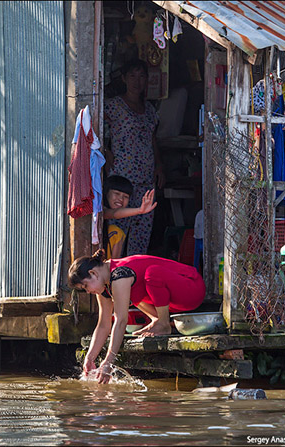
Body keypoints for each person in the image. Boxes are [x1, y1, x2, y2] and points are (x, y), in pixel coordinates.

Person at [68, 249, 205, 384]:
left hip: (192, 289)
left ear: (93, 273)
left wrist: (108, 362)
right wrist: (90, 358)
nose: (88, 291)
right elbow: (104, 324)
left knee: (153, 273)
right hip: (173, 300)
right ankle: (157, 320)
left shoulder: (119, 274)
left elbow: (121, 320)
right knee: (131, 292)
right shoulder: (105, 285)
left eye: (86, 286)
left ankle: (163, 324)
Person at [104, 59, 165, 256]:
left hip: (146, 177)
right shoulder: (113, 106)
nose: (137, 81)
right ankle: (114, 273)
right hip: (123, 176)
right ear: (124, 78)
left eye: (141, 76)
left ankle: (134, 274)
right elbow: (93, 126)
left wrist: (159, 166)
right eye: (132, 76)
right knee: (118, 228)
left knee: (142, 228)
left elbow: (152, 138)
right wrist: (105, 151)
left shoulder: (149, 110)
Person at [102, 175, 157, 259]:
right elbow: (113, 213)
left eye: (125, 197)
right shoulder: (100, 208)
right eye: (117, 193)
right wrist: (139, 210)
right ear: (106, 193)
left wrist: (140, 210)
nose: (121, 199)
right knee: (116, 232)